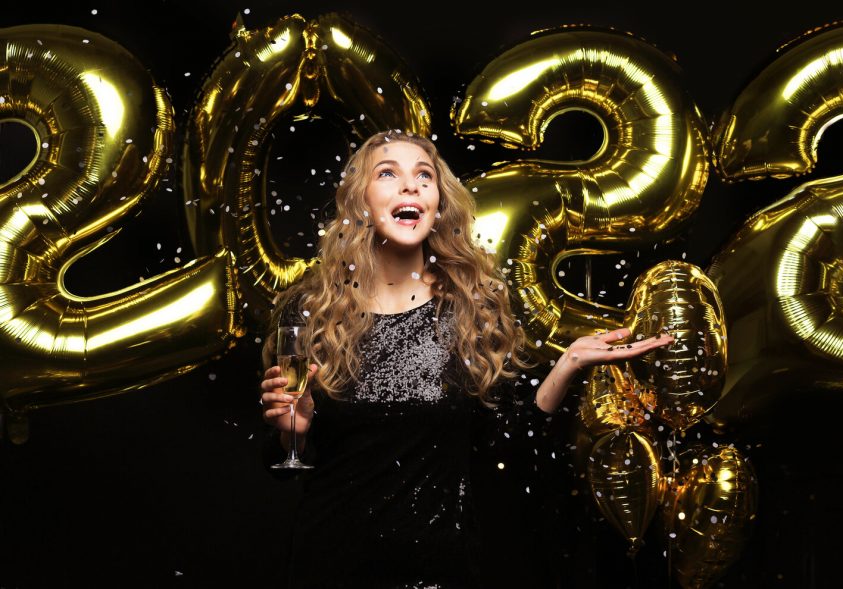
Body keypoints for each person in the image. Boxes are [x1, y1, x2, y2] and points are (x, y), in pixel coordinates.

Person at [259, 129, 673, 588]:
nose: (410, 185)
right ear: (360, 200)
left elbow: (506, 442)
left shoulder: (471, 307)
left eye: (423, 176)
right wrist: (290, 434)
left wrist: (569, 362)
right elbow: (291, 456)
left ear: (438, 203)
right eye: (388, 173)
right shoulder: (309, 310)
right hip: (331, 563)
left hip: (441, 568)